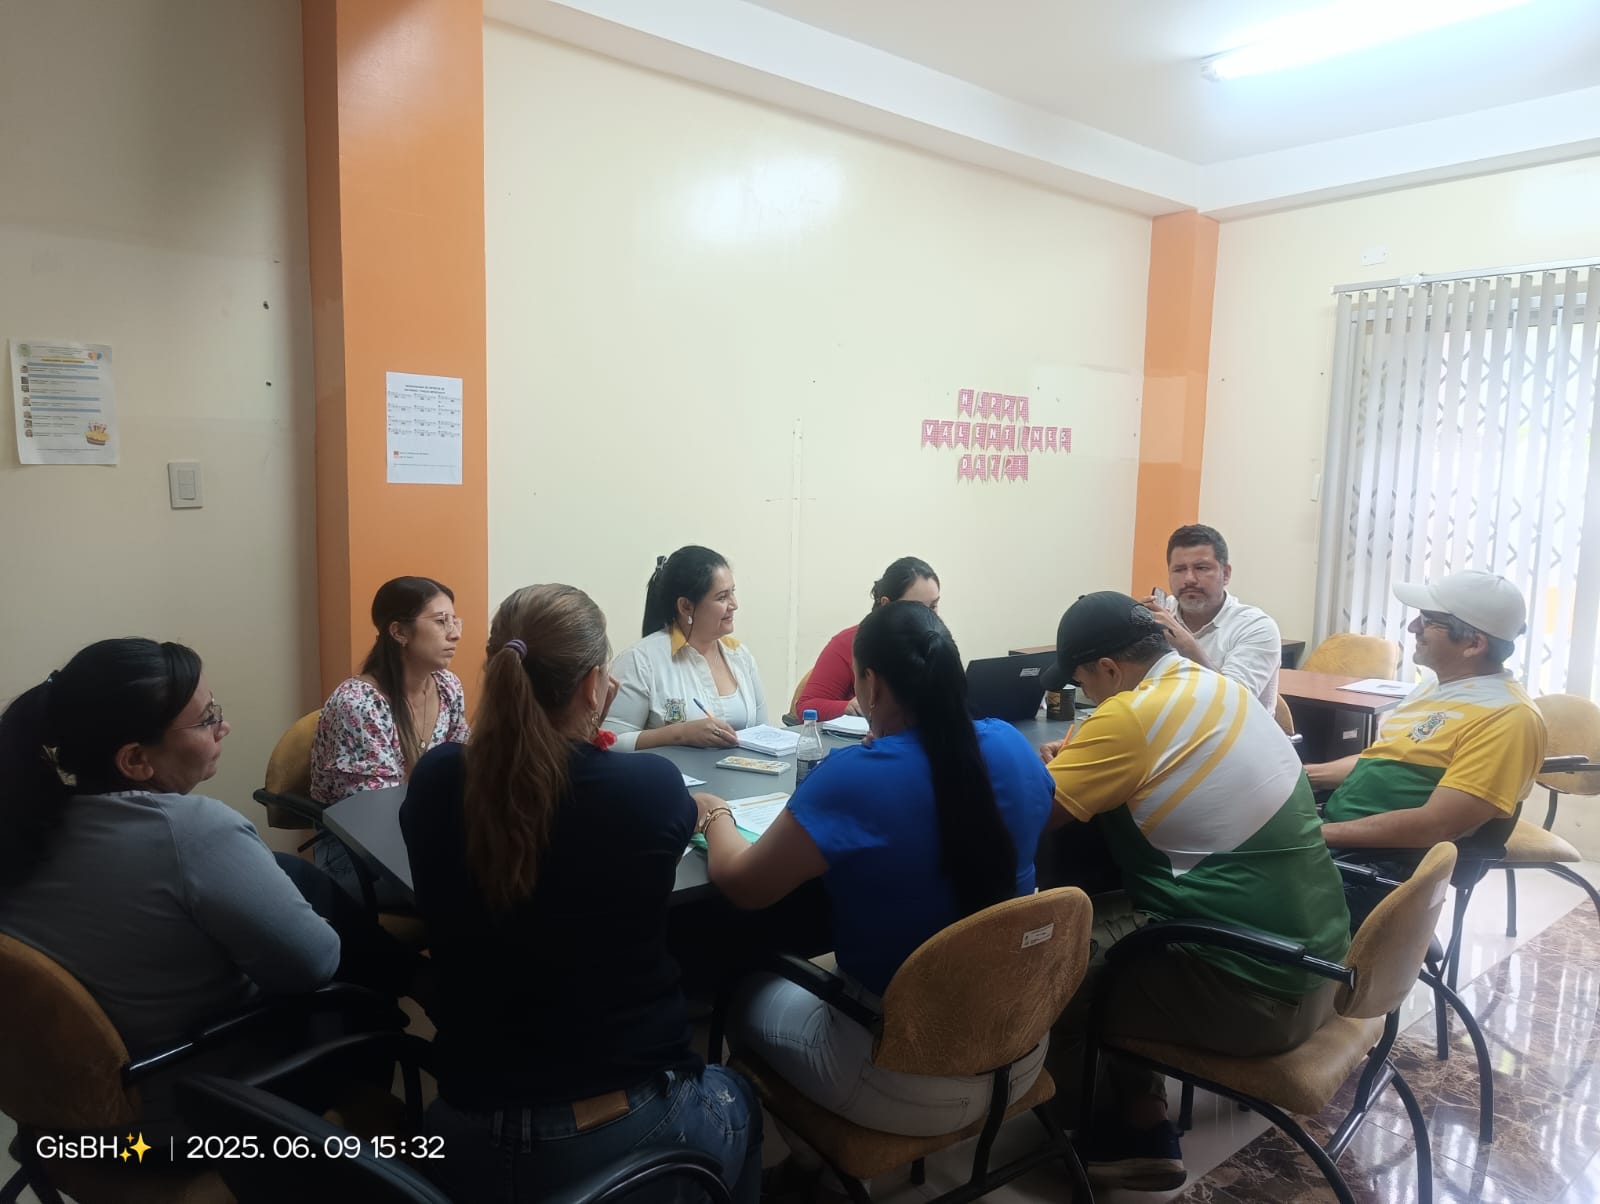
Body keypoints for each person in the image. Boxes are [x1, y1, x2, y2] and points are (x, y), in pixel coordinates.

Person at [400, 584, 762, 1203]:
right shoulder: (649, 791)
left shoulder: (437, 780)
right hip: (625, 1127)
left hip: (464, 1125)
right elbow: (625, 799)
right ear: (595, 686)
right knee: (741, 1099)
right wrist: (713, 810)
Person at [702, 601, 1054, 1146]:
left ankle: (807, 1162)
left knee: (740, 993)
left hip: (902, 1077)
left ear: (871, 684)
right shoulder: (1011, 744)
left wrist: (714, 814)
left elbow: (744, 885)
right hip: (1021, 1049)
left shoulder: (853, 780)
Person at [1038, 593, 1350, 1191]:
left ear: (1109, 669)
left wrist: (1056, 764)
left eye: (1083, 684)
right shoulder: (1219, 687)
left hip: (1256, 995)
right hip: (1320, 966)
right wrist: (1088, 756)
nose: (1087, 697)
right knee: (1118, 930)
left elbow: (1030, 816)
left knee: (1050, 967)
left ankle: (1113, 1134)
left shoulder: (1129, 715)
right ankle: (1143, 1110)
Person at [1310, 571, 1547, 922]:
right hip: (1339, 841)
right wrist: (1305, 776)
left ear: (1474, 644)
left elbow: (1435, 825)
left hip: (1377, 868)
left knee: (1223, 898)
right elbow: (1386, 758)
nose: (1412, 628)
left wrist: (1314, 835)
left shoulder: (1508, 717)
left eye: (1429, 620)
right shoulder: (1434, 687)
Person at [310, 575, 471, 805]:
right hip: (365, 823)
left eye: (454, 621)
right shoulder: (360, 704)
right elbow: (375, 809)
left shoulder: (448, 686)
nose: (455, 634)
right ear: (399, 632)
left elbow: (460, 766)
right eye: (440, 621)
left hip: (425, 816)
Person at [604, 546, 767, 750]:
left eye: (732, 592)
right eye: (722, 597)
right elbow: (610, 742)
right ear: (686, 606)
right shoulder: (640, 661)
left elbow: (763, 732)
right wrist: (680, 734)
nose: (734, 604)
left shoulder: (740, 656)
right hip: (670, 771)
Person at [1137, 524, 1281, 712]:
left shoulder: (1256, 627)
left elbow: (1233, 704)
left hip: (1231, 730)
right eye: (1179, 569)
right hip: (1170, 724)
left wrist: (1187, 645)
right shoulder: (1160, 613)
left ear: (1226, 574)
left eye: (1201, 568)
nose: (1189, 579)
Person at [795, 555, 940, 720]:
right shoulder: (849, 643)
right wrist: (847, 707)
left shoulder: (937, 644)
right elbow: (806, 706)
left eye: (933, 606)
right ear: (887, 604)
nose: (929, 617)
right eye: (917, 609)